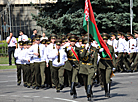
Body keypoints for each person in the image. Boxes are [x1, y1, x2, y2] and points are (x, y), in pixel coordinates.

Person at [79, 36, 98, 101]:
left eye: (87, 43)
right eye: (84, 43)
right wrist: (85, 49)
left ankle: (89, 93)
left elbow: (95, 60)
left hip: (91, 67)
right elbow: (81, 56)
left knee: (90, 81)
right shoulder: (81, 49)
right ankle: (88, 92)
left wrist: (95, 69)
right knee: (85, 82)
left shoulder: (94, 49)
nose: (85, 44)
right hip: (83, 67)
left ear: (90, 43)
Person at [98, 33, 115, 98]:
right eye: (103, 39)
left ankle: (108, 92)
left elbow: (113, 56)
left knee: (107, 78)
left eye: (106, 39)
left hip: (108, 64)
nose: (105, 40)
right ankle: (105, 90)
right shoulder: (99, 47)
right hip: (102, 63)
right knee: (103, 79)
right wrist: (99, 51)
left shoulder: (110, 47)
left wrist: (114, 66)